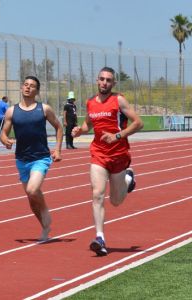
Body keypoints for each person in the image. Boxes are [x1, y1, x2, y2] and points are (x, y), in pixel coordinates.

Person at [71, 67, 142, 256]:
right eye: (102, 79)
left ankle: (128, 180)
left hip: (119, 155)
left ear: (113, 83)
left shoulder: (118, 100)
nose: (104, 83)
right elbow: (88, 124)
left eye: (108, 80)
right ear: (97, 81)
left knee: (116, 201)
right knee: (97, 194)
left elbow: (138, 122)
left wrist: (117, 135)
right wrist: (80, 130)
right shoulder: (90, 103)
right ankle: (100, 238)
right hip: (99, 153)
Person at [0, 76, 63, 242]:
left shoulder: (44, 109)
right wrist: (5, 139)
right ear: (22, 87)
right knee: (31, 199)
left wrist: (57, 150)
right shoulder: (12, 111)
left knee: (32, 190)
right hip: (21, 159)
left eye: (32, 86)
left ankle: (46, 214)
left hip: (40, 158)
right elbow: (4, 132)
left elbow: (58, 128)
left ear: (37, 91)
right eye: (26, 85)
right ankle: (45, 227)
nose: (28, 88)